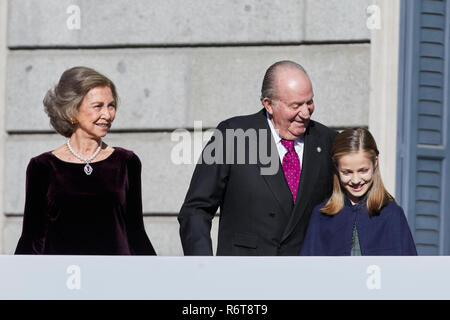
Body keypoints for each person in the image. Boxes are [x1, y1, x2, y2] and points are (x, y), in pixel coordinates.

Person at [178, 60, 337, 255]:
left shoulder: (328, 140)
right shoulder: (233, 136)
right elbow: (196, 210)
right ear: (269, 104)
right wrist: (203, 267)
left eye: (309, 102)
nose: (305, 113)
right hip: (243, 274)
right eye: (296, 105)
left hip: (304, 275)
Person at [15, 66, 156, 255]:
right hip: (61, 279)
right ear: (72, 110)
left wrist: (155, 276)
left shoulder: (126, 162)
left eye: (111, 105)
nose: (107, 115)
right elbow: (32, 237)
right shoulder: (42, 167)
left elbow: (136, 231)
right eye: (98, 106)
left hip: (115, 277)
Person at [300, 128, 417, 256]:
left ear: (375, 163)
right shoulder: (321, 216)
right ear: (336, 167)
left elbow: (408, 271)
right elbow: (309, 271)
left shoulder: (392, 215)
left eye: (363, 171)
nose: (356, 180)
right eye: (347, 172)